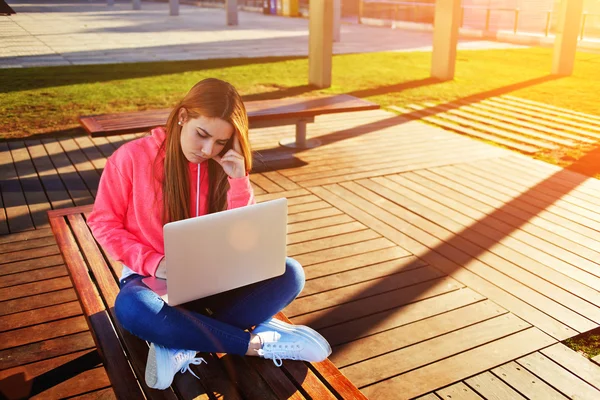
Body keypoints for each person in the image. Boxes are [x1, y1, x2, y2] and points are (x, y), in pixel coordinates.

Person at [88, 78, 331, 390]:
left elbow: (246, 234)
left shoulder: (223, 164)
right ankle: (259, 343)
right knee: (131, 308)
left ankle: (178, 343)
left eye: (219, 142)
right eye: (201, 135)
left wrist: (238, 180)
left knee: (291, 273)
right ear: (182, 117)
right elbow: (104, 223)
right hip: (151, 282)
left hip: (215, 284)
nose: (207, 150)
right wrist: (153, 262)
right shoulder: (131, 157)